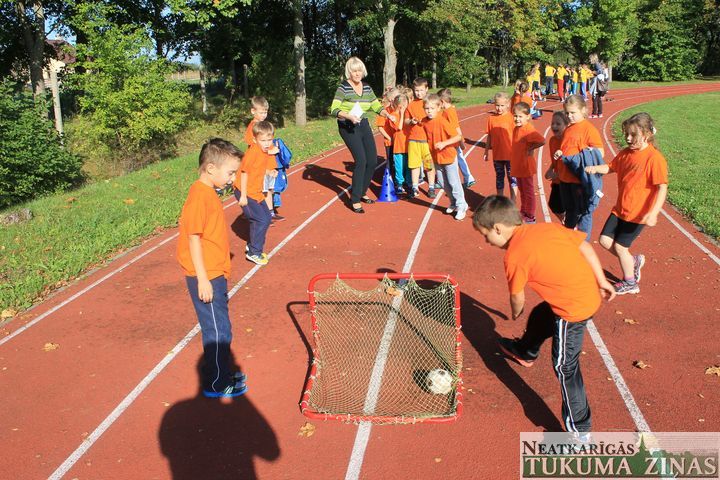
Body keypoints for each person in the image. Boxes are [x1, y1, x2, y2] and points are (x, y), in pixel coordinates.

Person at [472, 195, 615, 434]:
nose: (486, 241)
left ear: (497, 228)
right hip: (586, 292)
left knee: (565, 366)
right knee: (541, 315)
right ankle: (525, 351)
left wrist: (516, 313)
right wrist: (602, 280)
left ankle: (580, 431)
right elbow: (584, 246)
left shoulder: (514, 255)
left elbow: (517, 297)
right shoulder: (546, 228)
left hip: (573, 309)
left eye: (485, 235)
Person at [177, 138, 248, 398]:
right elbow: (193, 239)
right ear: (210, 169)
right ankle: (217, 383)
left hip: (215, 271)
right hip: (207, 275)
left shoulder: (207, 193)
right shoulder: (199, 197)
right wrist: (203, 279)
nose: (232, 179)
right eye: (230, 173)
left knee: (220, 325)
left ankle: (222, 373)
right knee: (218, 331)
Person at [584, 113, 668, 295]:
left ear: (646, 134)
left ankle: (630, 282)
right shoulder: (625, 154)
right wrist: (595, 168)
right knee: (605, 241)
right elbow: (611, 167)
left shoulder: (654, 158)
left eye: (633, 135)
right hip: (620, 209)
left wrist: (653, 213)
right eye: (626, 134)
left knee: (621, 247)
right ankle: (632, 261)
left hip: (638, 214)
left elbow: (662, 187)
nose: (628, 139)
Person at [330, 57, 395, 214]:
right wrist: (348, 116)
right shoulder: (343, 88)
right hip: (348, 126)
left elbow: (375, 105)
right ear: (349, 72)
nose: (357, 73)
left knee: (372, 161)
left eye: (359, 70)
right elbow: (334, 109)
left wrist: (387, 114)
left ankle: (362, 191)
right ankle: (355, 199)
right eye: (354, 71)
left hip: (363, 124)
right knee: (361, 161)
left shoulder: (366, 87)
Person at [553, 94, 604, 237]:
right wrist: (560, 153)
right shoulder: (569, 128)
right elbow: (567, 148)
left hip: (579, 180)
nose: (569, 116)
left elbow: (600, 152)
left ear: (583, 110)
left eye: (573, 113)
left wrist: (581, 156)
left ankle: (582, 242)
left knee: (583, 213)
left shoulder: (588, 129)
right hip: (565, 179)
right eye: (567, 113)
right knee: (570, 212)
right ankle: (571, 240)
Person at [234, 121, 278, 266]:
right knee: (261, 220)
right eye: (263, 140)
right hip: (246, 191)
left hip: (256, 191)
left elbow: (257, 169)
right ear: (254, 140)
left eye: (269, 140)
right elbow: (244, 173)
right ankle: (254, 252)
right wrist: (243, 196)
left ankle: (252, 245)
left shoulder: (264, 151)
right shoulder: (253, 153)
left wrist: (269, 172)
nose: (267, 143)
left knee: (266, 217)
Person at [422, 93, 468, 220]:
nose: (429, 111)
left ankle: (462, 205)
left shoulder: (442, 121)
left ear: (438, 108)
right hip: (436, 157)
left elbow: (458, 137)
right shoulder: (424, 121)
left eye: (432, 108)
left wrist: (444, 143)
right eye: (426, 108)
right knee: (443, 183)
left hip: (448, 156)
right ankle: (453, 202)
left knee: (453, 182)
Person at [510, 102, 546, 224]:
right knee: (522, 190)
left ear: (528, 116)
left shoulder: (528, 129)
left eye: (520, 116)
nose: (517, 119)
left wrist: (531, 148)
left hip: (526, 166)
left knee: (528, 192)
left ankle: (530, 214)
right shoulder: (516, 128)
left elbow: (542, 140)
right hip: (518, 165)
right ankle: (524, 210)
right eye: (515, 116)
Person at [438, 88, 475, 188]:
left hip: (454, 141)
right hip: (452, 140)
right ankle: (468, 178)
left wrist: (461, 141)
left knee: (457, 160)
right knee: (459, 159)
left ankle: (467, 178)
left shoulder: (449, 112)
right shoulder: (449, 110)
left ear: (442, 101)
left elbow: (456, 127)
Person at [406, 77, 436, 199]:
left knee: (429, 165)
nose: (419, 93)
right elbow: (406, 120)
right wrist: (411, 121)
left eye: (421, 90)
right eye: (416, 90)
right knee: (414, 165)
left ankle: (431, 187)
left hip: (427, 140)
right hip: (413, 139)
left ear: (427, 89)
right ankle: (415, 187)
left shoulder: (430, 103)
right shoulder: (411, 105)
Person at [485, 92, 517, 201]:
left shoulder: (512, 118)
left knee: (512, 179)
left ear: (508, 104)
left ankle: (513, 201)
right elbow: (489, 136)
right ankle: (500, 201)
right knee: (499, 178)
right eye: (497, 105)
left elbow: (518, 135)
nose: (499, 108)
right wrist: (486, 151)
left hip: (511, 156)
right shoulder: (491, 118)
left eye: (502, 105)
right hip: (497, 155)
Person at [545, 111, 570, 223]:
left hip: (567, 180)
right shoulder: (552, 140)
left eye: (558, 124)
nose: (554, 126)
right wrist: (550, 169)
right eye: (552, 123)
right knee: (553, 205)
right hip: (557, 180)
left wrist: (559, 174)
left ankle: (570, 223)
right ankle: (565, 221)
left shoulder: (568, 141)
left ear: (566, 125)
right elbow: (554, 159)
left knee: (567, 206)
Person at [390, 93, 412, 195]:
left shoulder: (407, 115)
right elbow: (399, 127)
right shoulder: (393, 116)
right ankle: (399, 183)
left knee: (408, 166)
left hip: (408, 145)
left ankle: (408, 182)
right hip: (398, 146)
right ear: (400, 106)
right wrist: (402, 114)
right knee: (399, 167)